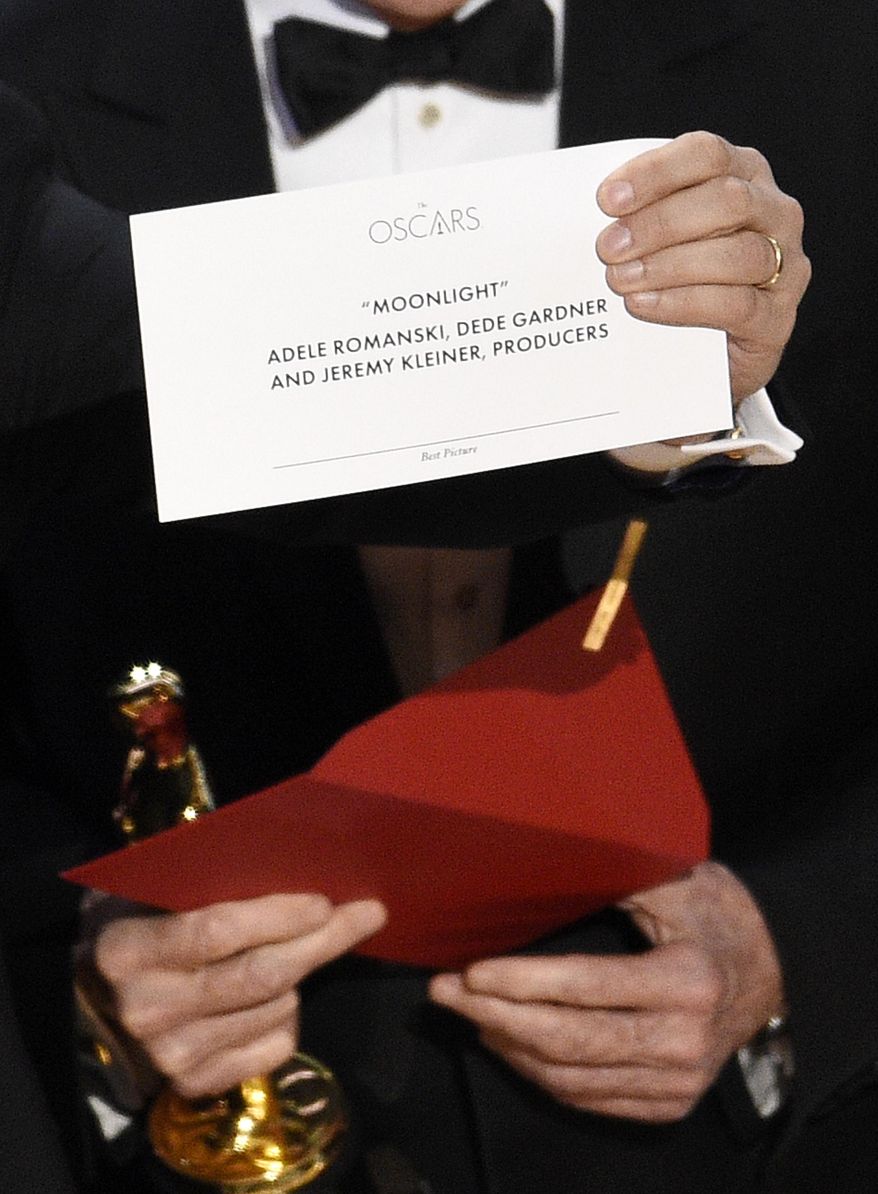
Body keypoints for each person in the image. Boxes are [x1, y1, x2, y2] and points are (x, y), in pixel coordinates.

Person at [0, 2, 873, 1191]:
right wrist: (78, 976)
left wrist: (811, 944)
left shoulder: (834, 50)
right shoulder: (30, 69)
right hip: (210, 1130)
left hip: (767, 1138)